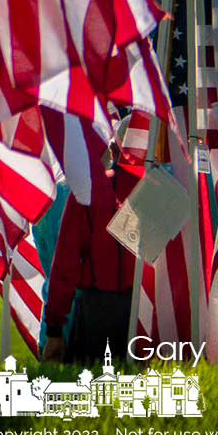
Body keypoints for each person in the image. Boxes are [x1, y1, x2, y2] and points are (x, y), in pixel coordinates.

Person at [39, 138, 142, 364]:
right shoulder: (170, 191)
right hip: (148, 311)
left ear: (114, 151)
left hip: (98, 312)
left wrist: (54, 330)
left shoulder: (89, 191)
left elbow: (65, 265)